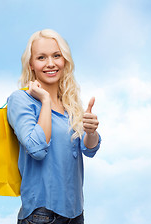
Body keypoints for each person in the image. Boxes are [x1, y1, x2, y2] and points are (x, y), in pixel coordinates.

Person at [7, 29, 101, 224]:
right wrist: (46, 101)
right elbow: (37, 148)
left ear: (64, 60)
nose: (50, 63)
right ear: (31, 65)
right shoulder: (21, 100)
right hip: (41, 215)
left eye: (56, 56)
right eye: (41, 57)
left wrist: (91, 132)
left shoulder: (70, 104)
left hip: (75, 213)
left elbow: (89, 150)